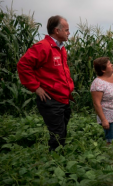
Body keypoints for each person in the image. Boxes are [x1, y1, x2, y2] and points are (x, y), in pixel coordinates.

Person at [17, 15, 74, 151]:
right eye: (66, 30)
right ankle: (55, 164)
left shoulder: (61, 48)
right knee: (58, 134)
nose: (69, 33)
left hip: (63, 97)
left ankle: (59, 158)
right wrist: (36, 87)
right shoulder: (43, 47)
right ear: (56, 31)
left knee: (62, 131)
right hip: (51, 98)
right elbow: (23, 65)